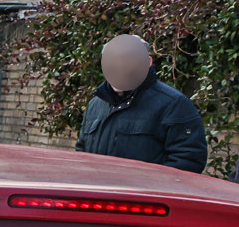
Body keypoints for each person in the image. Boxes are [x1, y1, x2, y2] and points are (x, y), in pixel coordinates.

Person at [75, 34, 207, 172]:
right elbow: (81, 152)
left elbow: (188, 161)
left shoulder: (174, 105)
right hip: (97, 192)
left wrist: (146, 186)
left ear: (148, 62)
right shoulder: (96, 104)